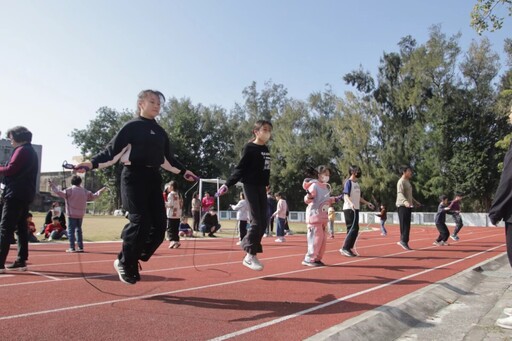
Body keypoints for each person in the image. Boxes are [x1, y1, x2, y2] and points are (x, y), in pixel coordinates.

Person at [74, 89, 198, 285]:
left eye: (159, 103)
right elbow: (111, 153)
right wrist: (90, 164)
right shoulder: (131, 127)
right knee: (141, 221)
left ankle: (133, 253)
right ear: (141, 103)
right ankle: (125, 261)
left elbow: (167, 160)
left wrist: (184, 172)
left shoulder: (160, 132)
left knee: (159, 226)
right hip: (133, 177)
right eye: (152, 101)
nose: (157, 105)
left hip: (153, 177)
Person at [216, 120, 272, 271]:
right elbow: (240, 169)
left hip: (261, 187)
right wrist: (227, 184)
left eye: (269, 130)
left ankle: (249, 249)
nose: (267, 132)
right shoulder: (249, 148)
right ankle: (249, 254)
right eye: (264, 129)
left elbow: (265, 170)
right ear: (256, 131)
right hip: (250, 185)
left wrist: (267, 183)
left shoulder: (266, 148)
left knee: (264, 221)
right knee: (256, 221)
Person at [0, 126, 39, 273]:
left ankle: (0, 262)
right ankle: (21, 260)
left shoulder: (22, 150)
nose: (10, 141)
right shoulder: (31, 151)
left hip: (15, 194)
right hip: (25, 194)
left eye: (11, 138)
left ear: (17, 138)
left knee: (5, 228)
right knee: (21, 228)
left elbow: (11, 169)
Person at [48, 175, 106, 252]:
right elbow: (94, 196)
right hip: (80, 214)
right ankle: (80, 247)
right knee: (79, 230)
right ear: (80, 182)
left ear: (72, 182)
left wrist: (52, 185)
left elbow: (58, 192)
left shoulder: (69, 190)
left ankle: (72, 247)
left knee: (71, 231)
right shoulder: (85, 191)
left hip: (71, 214)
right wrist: (101, 190)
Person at [302, 165, 339, 266]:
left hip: (323, 219)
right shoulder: (314, 186)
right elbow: (307, 199)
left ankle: (317, 258)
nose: (327, 176)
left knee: (322, 241)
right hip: (314, 218)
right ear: (319, 174)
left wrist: (335, 199)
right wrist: (308, 197)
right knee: (315, 240)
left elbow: (326, 201)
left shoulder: (326, 188)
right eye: (325, 174)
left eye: (328, 174)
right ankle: (309, 258)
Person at [340, 165, 375, 257]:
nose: (359, 172)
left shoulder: (357, 184)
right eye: (357, 171)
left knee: (355, 229)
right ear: (352, 172)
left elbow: (358, 197)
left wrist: (367, 203)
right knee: (352, 228)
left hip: (356, 208)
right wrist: (351, 203)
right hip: (349, 208)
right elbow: (345, 195)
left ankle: (348, 248)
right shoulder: (348, 182)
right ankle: (345, 248)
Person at [396, 165, 421, 251]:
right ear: (404, 172)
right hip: (402, 206)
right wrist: (405, 202)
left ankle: (404, 241)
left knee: (407, 225)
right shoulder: (401, 182)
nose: (411, 172)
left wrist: (415, 201)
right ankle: (403, 241)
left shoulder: (407, 181)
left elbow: (409, 195)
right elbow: (400, 193)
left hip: (408, 206)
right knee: (404, 225)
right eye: (409, 171)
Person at [166, 181, 183, 248]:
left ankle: (172, 241)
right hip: (177, 214)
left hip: (171, 214)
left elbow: (170, 204)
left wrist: (164, 203)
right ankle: (176, 241)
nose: (168, 187)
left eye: (169, 186)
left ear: (172, 187)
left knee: (170, 228)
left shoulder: (170, 194)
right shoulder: (178, 194)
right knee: (176, 229)